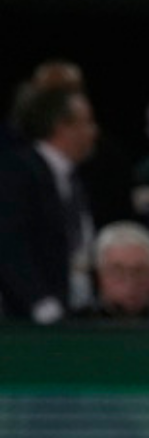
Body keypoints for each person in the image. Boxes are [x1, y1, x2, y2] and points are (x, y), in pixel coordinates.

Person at [0, 81, 98, 323]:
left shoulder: (72, 179)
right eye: (86, 122)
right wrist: (39, 301)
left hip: (73, 308)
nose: (94, 131)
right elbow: (9, 243)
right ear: (62, 127)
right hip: (30, 319)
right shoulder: (19, 172)